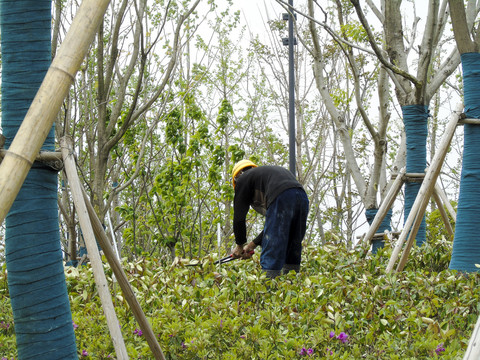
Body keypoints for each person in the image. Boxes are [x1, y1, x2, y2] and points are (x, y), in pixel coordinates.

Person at [231, 159, 309, 278]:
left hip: (281, 196)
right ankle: (293, 285)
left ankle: (268, 289)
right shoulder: (265, 177)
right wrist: (252, 244)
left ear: (237, 178)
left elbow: (239, 218)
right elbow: (273, 226)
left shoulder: (242, 180)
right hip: (302, 197)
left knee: (271, 253)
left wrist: (239, 245)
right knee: (293, 247)